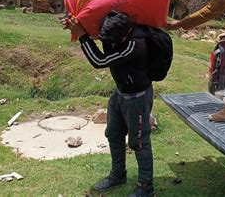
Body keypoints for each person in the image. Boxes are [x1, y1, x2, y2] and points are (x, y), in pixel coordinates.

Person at [62, 11, 155, 197]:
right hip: (120, 93)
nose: (110, 44)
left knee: (139, 142)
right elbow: (100, 38)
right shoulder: (114, 32)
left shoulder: (135, 45)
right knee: (113, 133)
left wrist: (82, 35)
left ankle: (146, 187)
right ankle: (118, 175)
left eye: (113, 41)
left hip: (137, 98)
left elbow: (99, 60)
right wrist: (75, 23)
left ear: (126, 33)